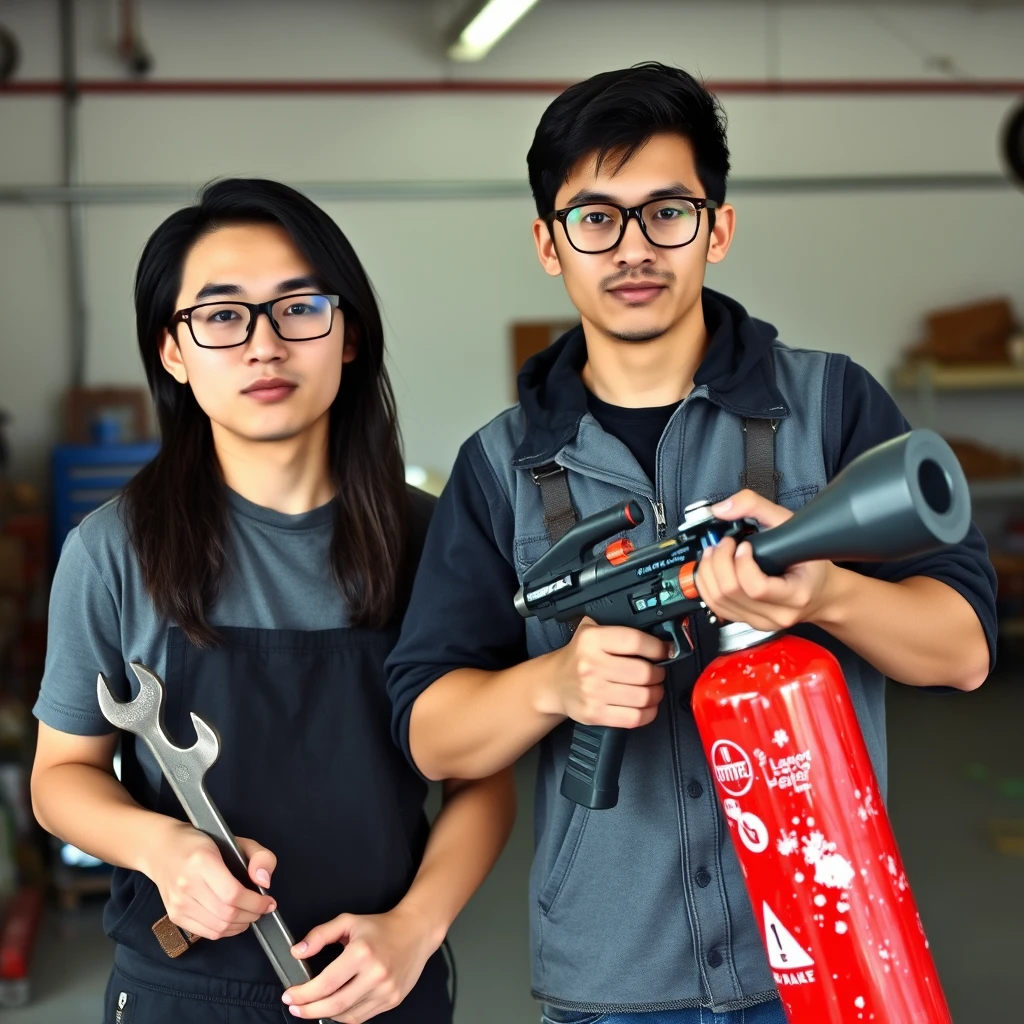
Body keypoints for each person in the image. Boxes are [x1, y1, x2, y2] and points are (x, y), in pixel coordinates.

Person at [386, 63, 998, 1024]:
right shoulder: (500, 465)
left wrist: (825, 594)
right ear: (550, 244)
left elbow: (962, 652)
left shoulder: (831, 405)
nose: (633, 248)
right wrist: (557, 685)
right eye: (596, 219)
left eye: (668, 211)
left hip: (831, 949)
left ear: (717, 225)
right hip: (615, 978)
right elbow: (430, 733)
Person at [30, 178, 515, 1024]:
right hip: (179, 991)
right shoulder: (113, 549)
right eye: (221, 316)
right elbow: (61, 775)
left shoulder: (434, 541)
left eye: (299, 308)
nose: (264, 345)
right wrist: (163, 848)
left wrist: (414, 928)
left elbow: (484, 782)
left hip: (383, 987)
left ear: (349, 334)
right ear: (173, 352)